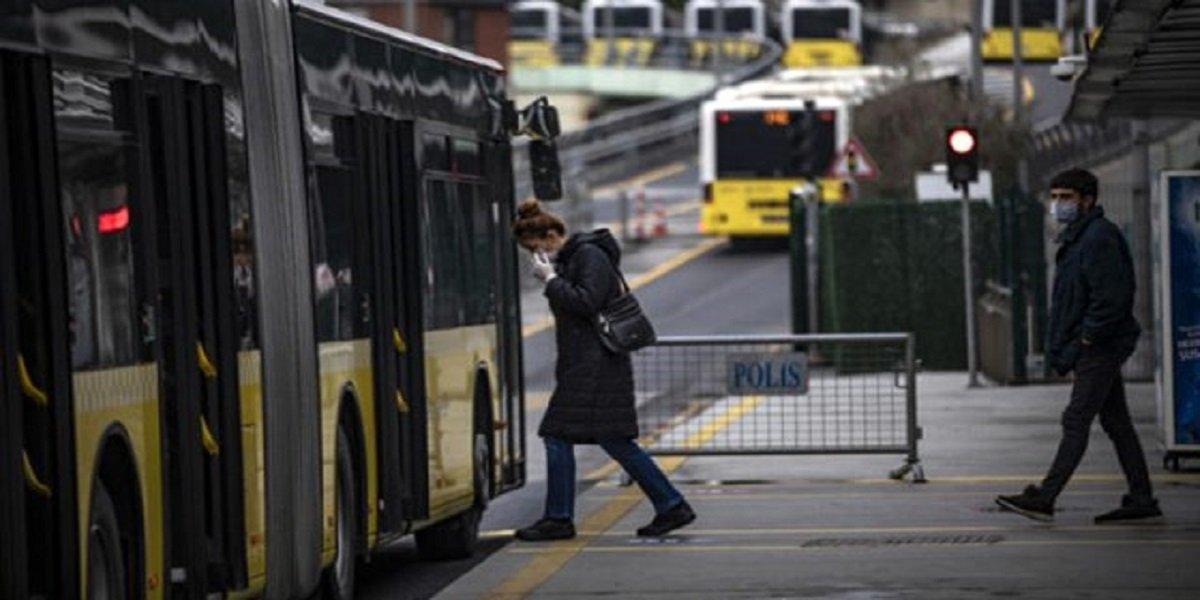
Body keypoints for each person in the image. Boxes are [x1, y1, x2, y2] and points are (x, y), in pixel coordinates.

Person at [511, 200, 695, 540]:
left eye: (537, 249)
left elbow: (587, 302)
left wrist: (551, 280)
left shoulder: (589, 256)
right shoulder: (574, 258)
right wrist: (554, 277)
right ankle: (670, 505)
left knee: (558, 434)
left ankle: (559, 518)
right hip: (589, 363)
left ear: (552, 235)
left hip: (595, 364)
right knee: (613, 439)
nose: (537, 257)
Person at [996, 168, 1162, 524]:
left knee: (1076, 419)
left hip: (1100, 346)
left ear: (1088, 200)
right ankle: (1142, 497)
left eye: (1066, 197)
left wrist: (1087, 338)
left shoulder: (1098, 238)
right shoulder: (1079, 237)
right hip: (1095, 344)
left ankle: (1046, 496)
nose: (1058, 204)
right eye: (1054, 197)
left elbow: (1112, 298)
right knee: (1116, 421)